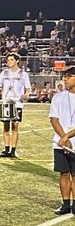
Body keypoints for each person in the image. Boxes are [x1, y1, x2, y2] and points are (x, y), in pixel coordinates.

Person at [0, 51, 31, 158]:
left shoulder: (23, 74)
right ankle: (6, 149)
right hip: (6, 102)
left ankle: (13, 150)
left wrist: (27, 94)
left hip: (17, 103)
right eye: (8, 60)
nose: (9, 62)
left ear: (17, 61)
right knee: (5, 126)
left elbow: (28, 88)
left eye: (11, 60)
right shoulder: (4, 73)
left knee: (14, 126)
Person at [49, 69, 75, 215]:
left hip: (66, 141)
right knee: (64, 173)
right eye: (64, 77)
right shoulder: (58, 97)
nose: (65, 80)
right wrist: (63, 137)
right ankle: (65, 204)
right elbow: (53, 118)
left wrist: (66, 137)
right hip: (59, 142)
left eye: (69, 77)